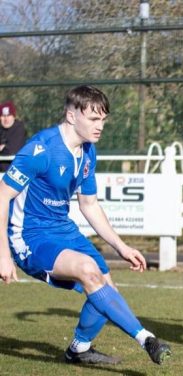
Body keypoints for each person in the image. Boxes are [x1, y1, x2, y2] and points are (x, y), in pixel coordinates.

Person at [0, 86, 172, 366]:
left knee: (106, 289)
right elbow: (2, 196)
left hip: (63, 229)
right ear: (71, 115)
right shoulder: (41, 149)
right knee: (87, 270)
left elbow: (89, 205)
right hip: (30, 236)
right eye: (93, 119)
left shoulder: (88, 152)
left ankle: (79, 349)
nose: (100, 126)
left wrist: (121, 246)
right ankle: (147, 339)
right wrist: (3, 255)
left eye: (103, 119)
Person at [0, 101, 27, 172]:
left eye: (8, 115)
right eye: (3, 116)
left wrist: (4, 148)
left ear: (14, 116)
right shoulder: (1, 130)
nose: (6, 119)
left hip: (15, 172)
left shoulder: (19, 128)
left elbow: (12, 150)